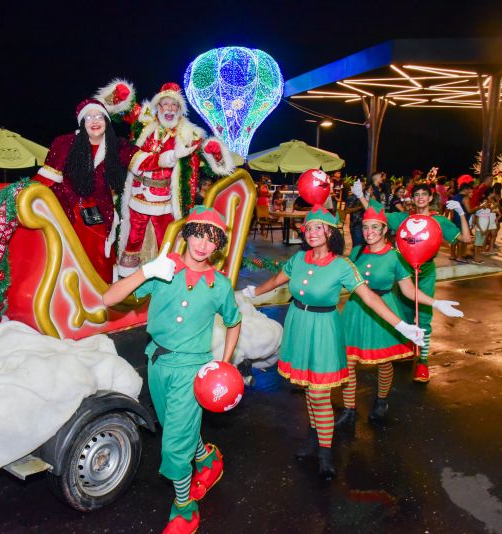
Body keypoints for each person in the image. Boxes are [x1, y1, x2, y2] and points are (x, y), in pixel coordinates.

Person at [241, 206, 424, 478]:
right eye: (309, 227)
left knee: (318, 392)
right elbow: (275, 281)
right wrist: (247, 293)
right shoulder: (299, 259)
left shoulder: (342, 265)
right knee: (305, 385)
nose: (313, 232)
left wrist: (403, 326)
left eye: (319, 227)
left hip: (324, 328)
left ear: (331, 232)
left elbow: (370, 297)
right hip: (298, 325)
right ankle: (314, 438)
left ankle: (326, 452)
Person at [102, 206, 241, 534]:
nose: (203, 245)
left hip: (192, 371)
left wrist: (226, 360)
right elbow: (110, 298)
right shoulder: (165, 270)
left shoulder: (220, 285)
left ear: (218, 246)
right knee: (174, 427)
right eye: (198, 234)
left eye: (212, 239)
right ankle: (207, 458)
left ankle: (184, 507)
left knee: (175, 441)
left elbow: (234, 322)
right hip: (157, 362)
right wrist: (148, 270)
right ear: (187, 234)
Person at [338, 199, 463, 426]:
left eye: (375, 227)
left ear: (386, 229)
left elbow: (408, 291)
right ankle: (349, 409)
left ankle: (381, 400)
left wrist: (436, 303)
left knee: (384, 362)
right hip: (356, 310)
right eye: (365, 227)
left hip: (383, 312)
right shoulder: (356, 252)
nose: (369, 232)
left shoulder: (396, 257)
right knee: (348, 361)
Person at [112, 81, 235, 277]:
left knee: (167, 241)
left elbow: (212, 162)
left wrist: (216, 153)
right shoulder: (144, 124)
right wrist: (122, 96)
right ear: (157, 107)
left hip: (166, 202)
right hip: (136, 195)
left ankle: (169, 277)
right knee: (132, 238)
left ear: (179, 109)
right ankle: (127, 279)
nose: (169, 109)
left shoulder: (190, 135)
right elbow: (123, 109)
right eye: (165, 104)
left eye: (173, 105)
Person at [354, 181, 471, 383]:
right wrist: (361, 196)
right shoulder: (402, 219)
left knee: (423, 316)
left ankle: (423, 361)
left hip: (425, 273)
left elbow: (467, 240)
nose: (420, 198)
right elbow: (377, 217)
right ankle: (409, 350)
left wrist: (461, 213)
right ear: (412, 198)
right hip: (402, 272)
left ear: (431, 197)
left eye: (424, 194)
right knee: (404, 313)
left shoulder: (439, 222)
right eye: (416, 194)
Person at [33, 97, 137, 283]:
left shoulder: (117, 145)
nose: (95, 121)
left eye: (99, 116)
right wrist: (24, 191)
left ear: (106, 120)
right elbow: (46, 178)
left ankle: (101, 295)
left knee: (98, 257)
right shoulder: (65, 143)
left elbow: (144, 161)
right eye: (89, 117)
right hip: (68, 212)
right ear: (82, 122)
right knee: (69, 253)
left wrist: (172, 155)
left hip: (101, 214)